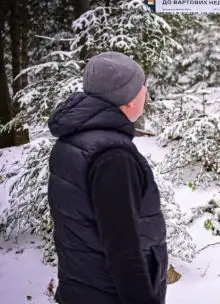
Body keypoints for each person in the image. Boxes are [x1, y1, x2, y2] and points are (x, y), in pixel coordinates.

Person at [47, 51, 168, 304]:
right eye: (141, 86)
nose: (145, 91)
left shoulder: (72, 142)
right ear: (126, 100)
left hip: (81, 288)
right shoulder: (112, 157)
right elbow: (123, 248)